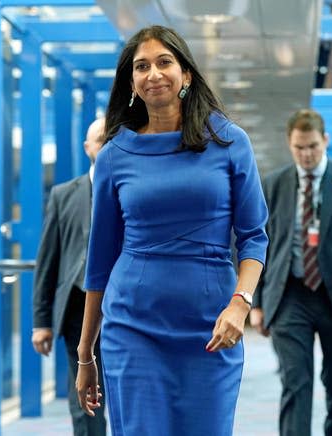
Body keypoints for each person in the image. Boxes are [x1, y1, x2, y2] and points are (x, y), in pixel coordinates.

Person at [74, 25, 269, 436]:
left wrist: (241, 303)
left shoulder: (229, 142)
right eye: (141, 66)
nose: (154, 73)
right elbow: (100, 260)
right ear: (132, 82)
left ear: (186, 75)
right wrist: (85, 353)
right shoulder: (113, 155)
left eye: (165, 62)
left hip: (212, 324)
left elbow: (254, 236)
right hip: (133, 326)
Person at [251, 109, 332, 436]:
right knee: (296, 382)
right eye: (299, 148)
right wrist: (255, 302)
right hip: (289, 295)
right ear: (289, 144)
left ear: (325, 140)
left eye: (312, 146)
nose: (306, 154)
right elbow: (257, 245)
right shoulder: (274, 184)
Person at [32, 117, 108, 436]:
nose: (107, 146)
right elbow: (48, 259)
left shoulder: (137, 191)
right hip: (77, 307)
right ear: (87, 147)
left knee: (133, 394)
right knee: (85, 400)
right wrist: (42, 321)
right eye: (101, 139)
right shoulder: (64, 194)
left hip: (127, 306)